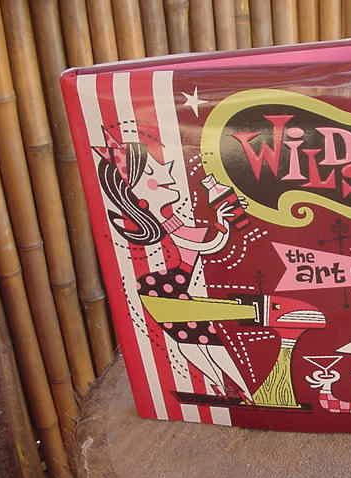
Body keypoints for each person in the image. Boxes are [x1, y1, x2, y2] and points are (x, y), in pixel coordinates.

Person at [95, 128, 254, 402]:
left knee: (197, 340)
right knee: (203, 340)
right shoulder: (160, 228)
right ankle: (236, 391)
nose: (167, 169)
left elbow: (205, 242)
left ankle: (231, 390)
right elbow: (203, 246)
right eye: (151, 170)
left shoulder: (174, 223)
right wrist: (222, 225)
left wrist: (221, 222)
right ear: (136, 192)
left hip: (171, 287)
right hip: (162, 288)